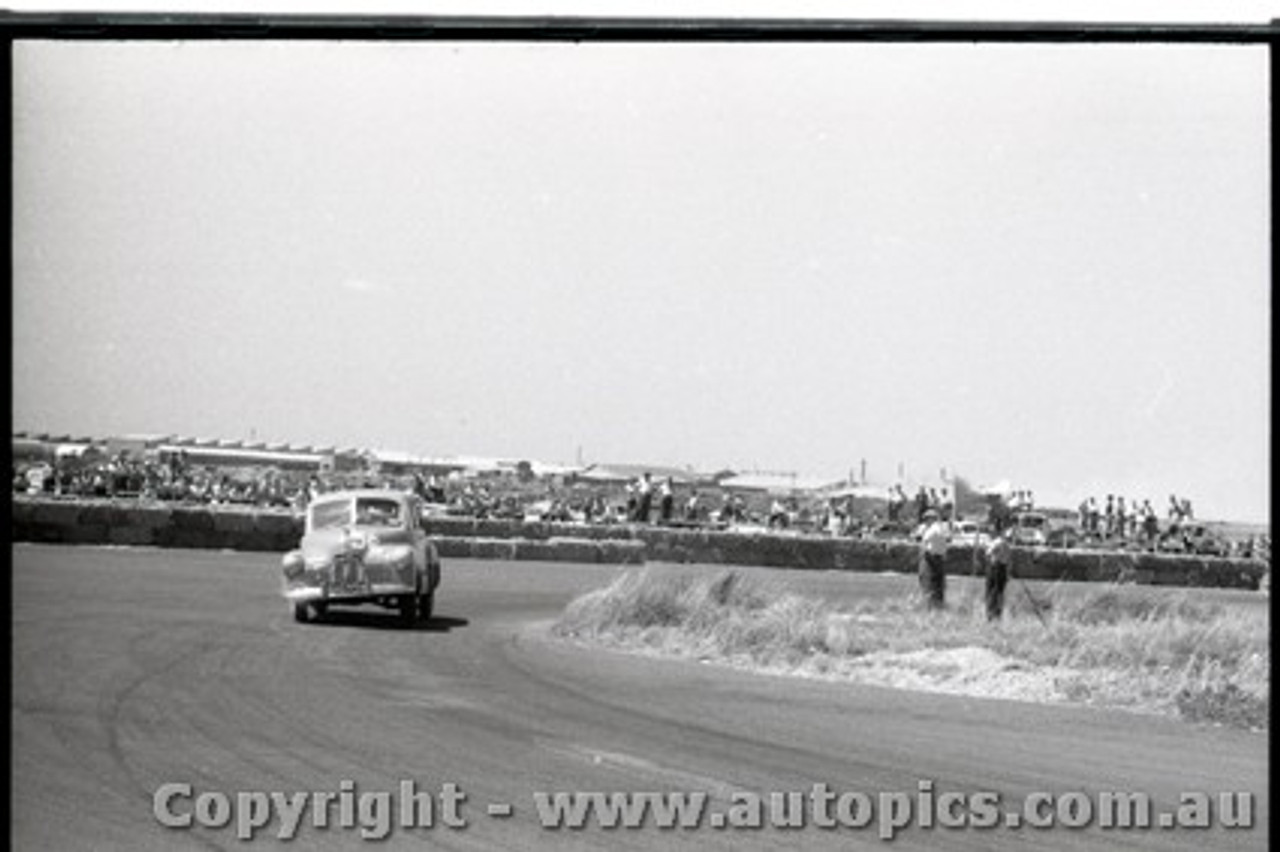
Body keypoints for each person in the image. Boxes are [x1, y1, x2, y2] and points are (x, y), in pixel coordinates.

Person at [918, 509, 950, 610]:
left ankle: (929, 606)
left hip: (930, 558)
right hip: (940, 559)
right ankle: (938, 605)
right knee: (938, 584)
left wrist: (922, 554)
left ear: (931, 519)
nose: (925, 521)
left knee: (927, 581)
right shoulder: (942, 528)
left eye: (927, 519)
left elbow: (924, 542)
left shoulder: (933, 529)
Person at [983, 528, 1012, 621]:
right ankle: (998, 614)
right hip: (1002, 569)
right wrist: (1008, 574)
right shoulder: (1007, 545)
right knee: (999, 593)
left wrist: (988, 548)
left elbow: (988, 553)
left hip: (995, 569)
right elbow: (1009, 562)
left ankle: (990, 614)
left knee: (991, 591)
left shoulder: (997, 542)